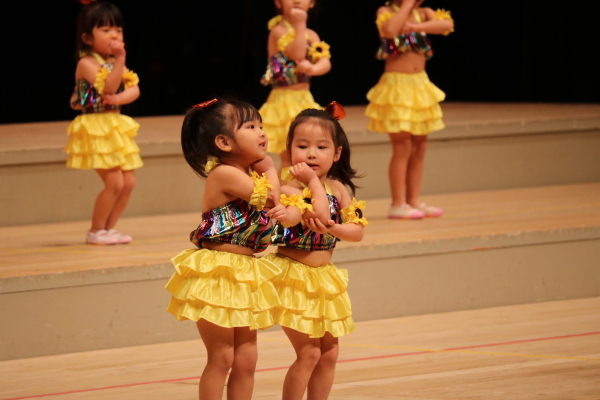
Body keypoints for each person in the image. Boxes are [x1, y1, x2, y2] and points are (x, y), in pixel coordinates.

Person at [165, 98, 291, 400]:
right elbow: (273, 197)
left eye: (260, 125)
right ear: (223, 142)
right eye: (250, 126)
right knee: (222, 357)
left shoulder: (249, 175)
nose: (261, 132)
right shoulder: (225, 174)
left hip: (245, 271)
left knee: (247, 358)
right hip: (218, 272)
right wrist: (271, 166)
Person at [264, 102, 368, 400]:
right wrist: (312, 182)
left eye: (321, 147)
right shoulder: (290, 189)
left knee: (330, 353)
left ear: (336, 154)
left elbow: (357, 232)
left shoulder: (339, 188)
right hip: (293, 277)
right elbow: (319, 214)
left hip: (323, 278)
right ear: (289, 151)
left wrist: (334, 229)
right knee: (309, 352)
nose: (311, 153)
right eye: (302, 145)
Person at [365, 0, 454, 219]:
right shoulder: (386, 11)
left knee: (419, 147)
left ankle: (413, 200)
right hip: (397, 86)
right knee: (402, 146)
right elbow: (390, 30)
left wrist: (416, 27)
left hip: (419, 85)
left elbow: (446, 25)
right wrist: (406, 6)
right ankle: (398, 203)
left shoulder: (424, 13)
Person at [65, 0, 142, 244]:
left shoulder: (113, 63)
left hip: (114, 124)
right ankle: (95, 230)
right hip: (95, 126)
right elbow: (108, 84)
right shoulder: (86, 63)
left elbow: (134, 88)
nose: (114, 34)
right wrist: (120, 58)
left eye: (117, 30)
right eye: (106, 30)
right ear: (88, 38)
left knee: (128, 182)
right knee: (114, 182)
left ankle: (108, 229)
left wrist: (120, 96)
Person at [259, 0, 332, 178]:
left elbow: (325, 61)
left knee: (305, 157)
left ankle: (303, 196)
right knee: (290, 156)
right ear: (278, 2)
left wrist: (313, 69)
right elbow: (297, 53)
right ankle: (284, 198)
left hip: (304, 98)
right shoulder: (278, 31)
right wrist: (300, 25)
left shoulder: (312, 35)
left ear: (312, 3)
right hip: (283, 100)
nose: (297, 0)